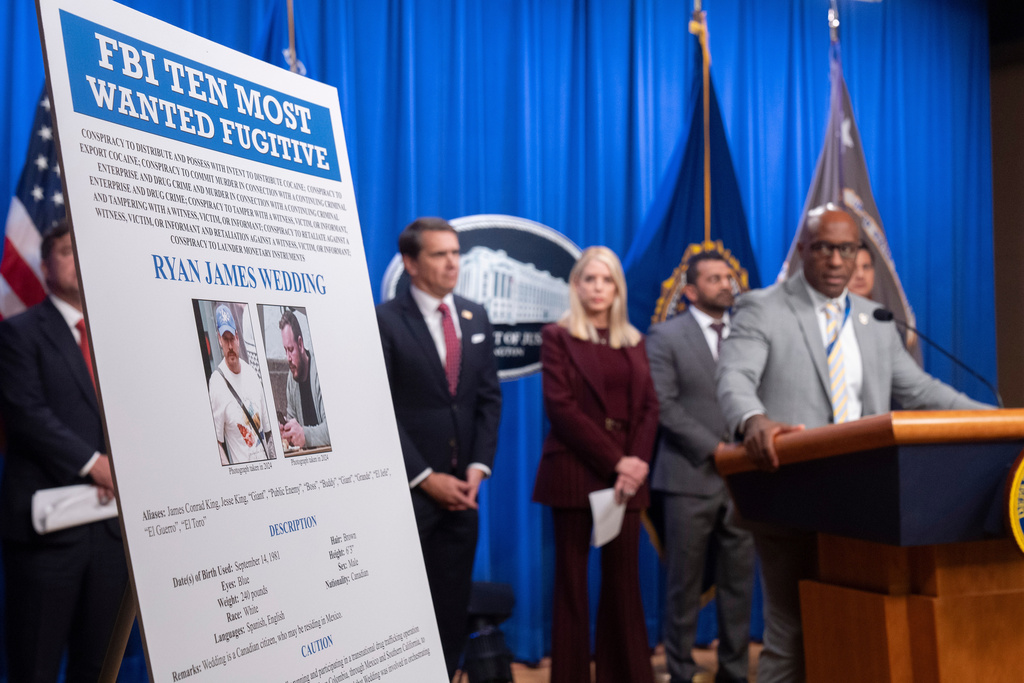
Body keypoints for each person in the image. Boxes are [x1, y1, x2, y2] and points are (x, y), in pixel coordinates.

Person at [715, 203, 991, 683]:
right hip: (790, 494)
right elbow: (735, 376)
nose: (838, 260)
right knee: (792, 632)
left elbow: (921, 392)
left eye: (848, 249)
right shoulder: (765, 307)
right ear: (804, 249)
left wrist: (999, 420)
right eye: (825, 247)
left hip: (864, 503)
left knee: (854, 625)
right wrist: (753, 419)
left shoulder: (874, 319)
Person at [0, 221, 127, 682]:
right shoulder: (19, 332)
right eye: (67, 251)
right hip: (48, 536)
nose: (77, 259)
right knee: (34, 666)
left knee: (98, 667)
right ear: (44, 262)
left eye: (82, 251)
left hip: (112, 535)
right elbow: (26, 413)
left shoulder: (117, 339)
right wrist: (96, 465)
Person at [375, 217, 501, 679]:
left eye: (456, 252)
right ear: (410, 262)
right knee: (403, 608)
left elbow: (488, 399)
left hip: (464, 495)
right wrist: (425, 479)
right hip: (409, 496)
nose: (454, 262)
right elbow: (379, 409)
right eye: (440, 254)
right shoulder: (384, 321)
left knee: (451, 610)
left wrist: (477, 469)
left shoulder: (474, 315)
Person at [533, 246, 660, 683]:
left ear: (617, 288)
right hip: (574, 471)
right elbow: (561, 409)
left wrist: (636, 463)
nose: (598, 288)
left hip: (627, 481)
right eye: (590, 279)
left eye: (606, 280)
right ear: (576, 286)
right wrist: (619, 460)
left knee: (624, 583)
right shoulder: (558, 337)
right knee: (572, 584)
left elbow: (649, 409)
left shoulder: (636, 340)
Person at [647, 251, 754, 683]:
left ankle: (733, 671)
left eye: (728, 277)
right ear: (691, 291)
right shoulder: (665, 336)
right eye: (714, 279)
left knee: (739, 587)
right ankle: (681, 670)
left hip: (744, 483)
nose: (725, 284)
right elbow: (664, 407)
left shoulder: (748, 335)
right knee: (683, 587)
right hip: (689, 478)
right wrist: (717, 449)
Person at [207, 304, 273, 464]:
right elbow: (216, 442)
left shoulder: (252, 374)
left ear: (237, 337)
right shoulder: (217, 383)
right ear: (219, 340)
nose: (230, 346)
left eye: (232, 339)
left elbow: (268, 431)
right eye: (225, 339)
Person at [279, 309, 329, 449]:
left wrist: (304, 436)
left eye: (291, 349)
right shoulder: (291, 377)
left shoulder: (319, 372)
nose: (288, 358)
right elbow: (291, 418)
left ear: (300, 344)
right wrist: (286, 431)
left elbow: (333, 428)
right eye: (285, 350)